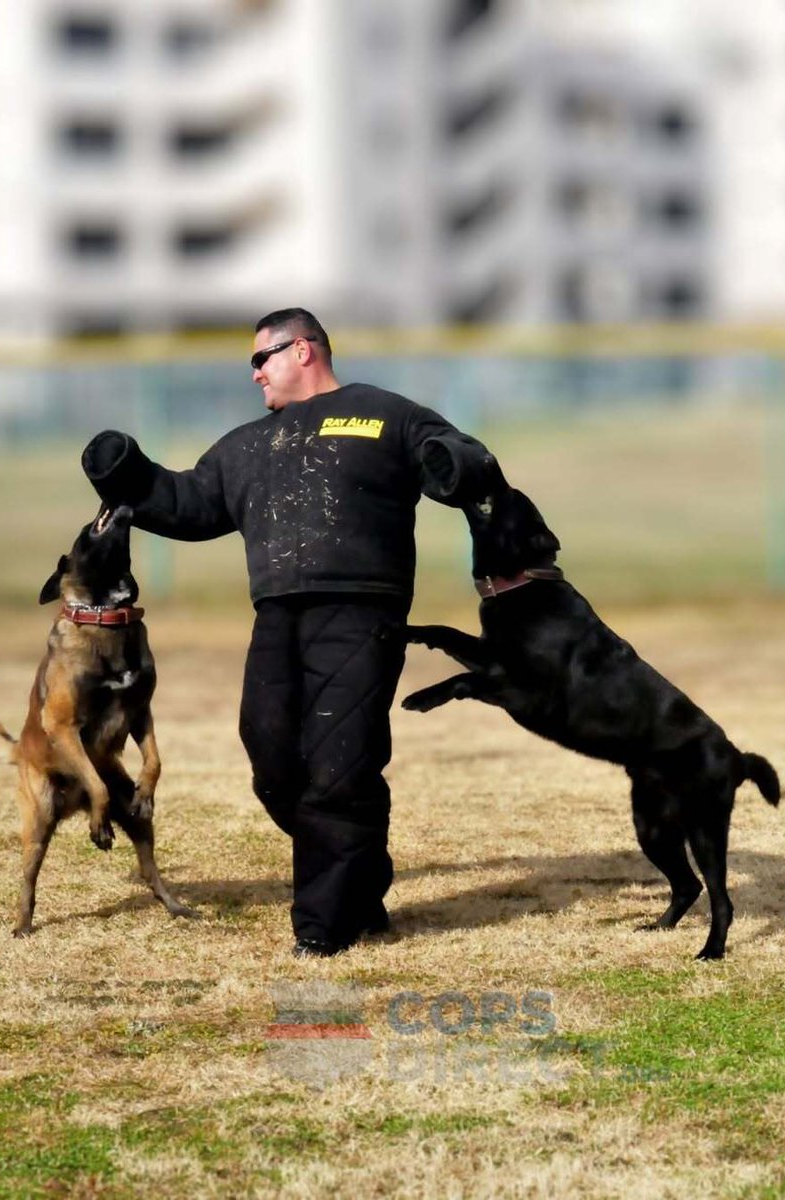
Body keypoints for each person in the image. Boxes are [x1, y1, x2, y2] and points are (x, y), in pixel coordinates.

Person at [81, 308, 505, 958]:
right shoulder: (248, 445)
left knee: (341, 765)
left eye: (262, 358)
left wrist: (456, 465)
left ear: (304, 349)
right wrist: (126, 473)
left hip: (362, 610)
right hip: (277, 614)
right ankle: (357, 880)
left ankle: (322, 927)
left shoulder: (382, 413)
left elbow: (459, 458)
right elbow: (189, 501)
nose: (254, 374)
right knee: (272, 757)